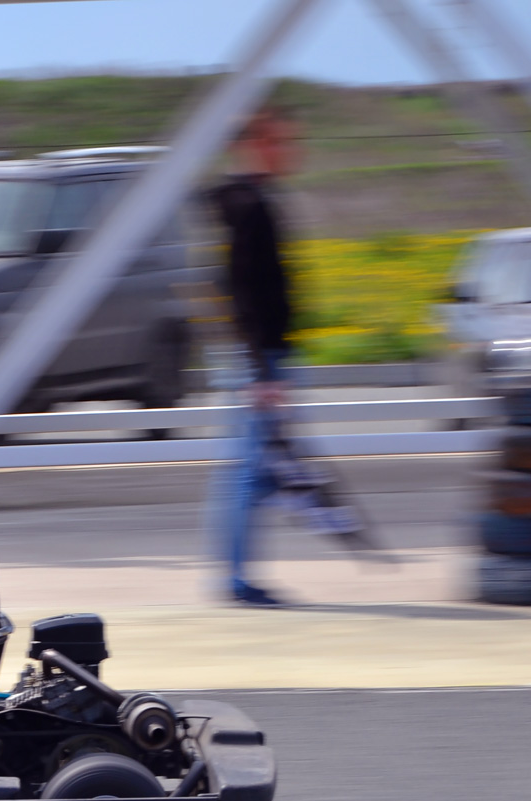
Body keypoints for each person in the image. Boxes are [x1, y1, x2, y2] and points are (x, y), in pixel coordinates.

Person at [206, 106, 366, 606]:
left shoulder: (252, 200)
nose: (289, 151)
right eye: (279, 142)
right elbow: (240, 291)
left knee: (255, 470)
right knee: (248, 471)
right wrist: (261, 371)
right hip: (259, 360)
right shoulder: (248, 205)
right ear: (252, 146)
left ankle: (238, 573)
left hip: (264, 357)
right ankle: (235, 580)